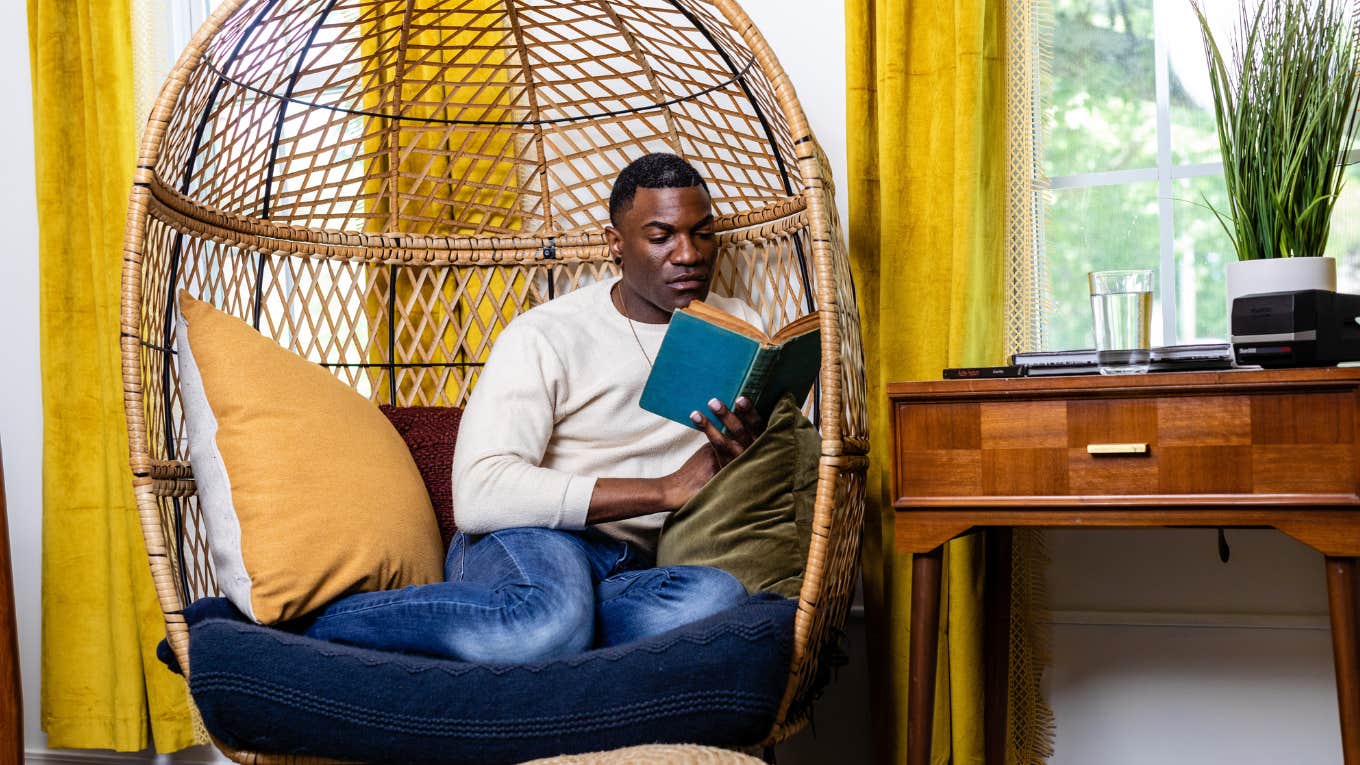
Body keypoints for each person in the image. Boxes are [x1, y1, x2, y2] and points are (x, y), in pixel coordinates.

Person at [304, 153, 769, 663]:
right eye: (661, 237)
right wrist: (664, 489)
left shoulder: (739, 324)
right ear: (615, 244)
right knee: (547, 619)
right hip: (533, 538)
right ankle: (319, 625)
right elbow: (479, 494)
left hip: (638, 565)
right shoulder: (546, 334)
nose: (688, 254)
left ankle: (550, 634)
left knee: (716, 600)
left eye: (702, 233)